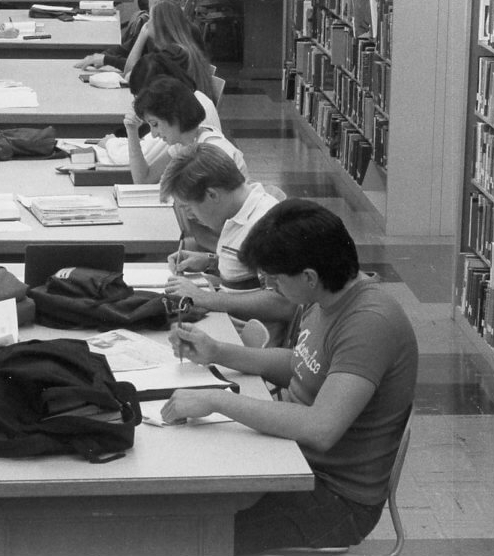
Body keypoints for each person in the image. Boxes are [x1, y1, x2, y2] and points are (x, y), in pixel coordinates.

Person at [162, 199, 417, 553]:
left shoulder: (369, 323)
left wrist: (217, 400)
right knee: (180, 502)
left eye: (274, 278)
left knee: (194, 535)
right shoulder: (325, 297)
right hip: (292, 462)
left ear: (309, 276)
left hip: (335, 499)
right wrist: (219, 352)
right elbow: (302, 364)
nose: (268, 285)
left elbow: (320, 428)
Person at [160, 144, 296, 341]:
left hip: (242, 342)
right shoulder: (239, 212)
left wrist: (204, 298)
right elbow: (251, 275)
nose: (190, 215)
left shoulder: (265, 226)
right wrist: (211, 262)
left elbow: (283, 304)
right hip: (225, 327)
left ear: (212, 195)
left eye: (189, 207)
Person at [126, 75, 245, 185]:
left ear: (174, 115)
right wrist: (131, 131)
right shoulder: (184, 145)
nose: (153, 134)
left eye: (155, 124)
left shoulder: (213, 151)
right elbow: (144, 180)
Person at [74, 0, 195, 72]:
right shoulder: (149, 24)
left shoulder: (183, 32)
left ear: (177, 1)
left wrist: (106, 60)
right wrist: (98, 57)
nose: (156, 0)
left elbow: (144, 69)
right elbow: (123, 50)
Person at [123, 0, 215, 103]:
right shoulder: (184, 49)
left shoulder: (174, 55)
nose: (147, 24)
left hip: (183, 114)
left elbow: (131, 79)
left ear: (160, 25)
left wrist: (142, 36)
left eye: (151, 20)